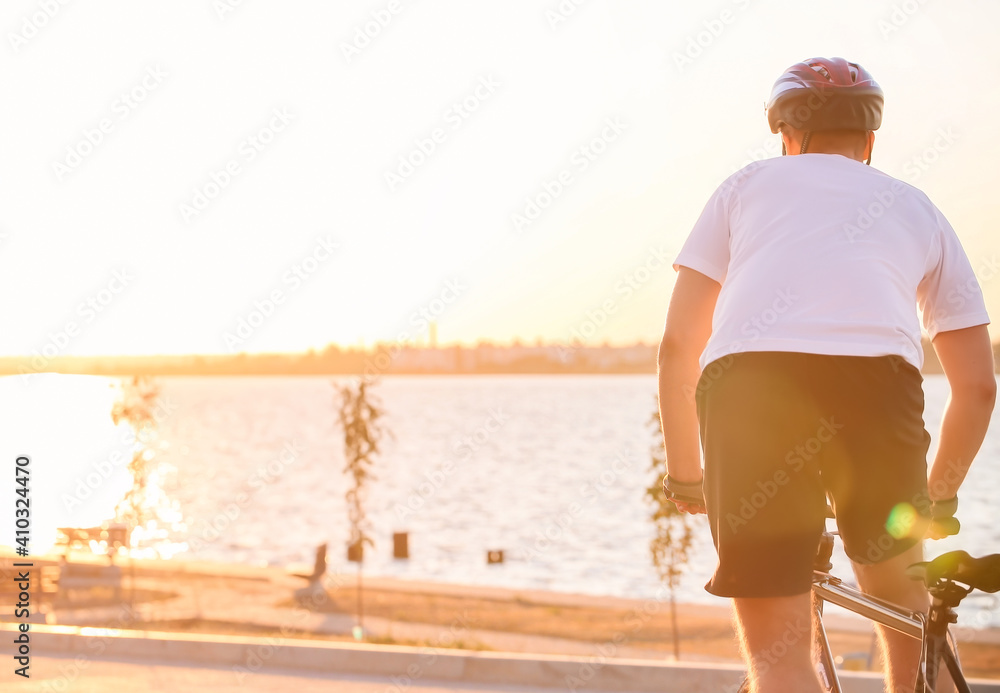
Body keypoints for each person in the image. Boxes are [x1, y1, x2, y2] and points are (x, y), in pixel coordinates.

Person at [657, 57, 995, 693]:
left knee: (780, 663)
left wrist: (687, 473)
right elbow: (978, 387)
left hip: (750, 393)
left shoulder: (744, 187)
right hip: (879, 393)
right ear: (870, 140)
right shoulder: (918, 207)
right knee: (909, 622)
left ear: (787, 135)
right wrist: (938, 495)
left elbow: (678, 346)